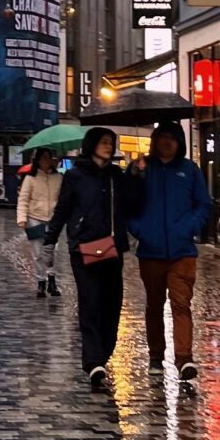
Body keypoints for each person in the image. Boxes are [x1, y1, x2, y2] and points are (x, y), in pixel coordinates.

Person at [49, 128, 140, 386]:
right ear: (91, 145)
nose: (108, 146)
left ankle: (103, 354)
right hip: (84, 247)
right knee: (90, 302)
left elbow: (131, 204)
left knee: (111, 304)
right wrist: (51, 238)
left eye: (111, 142)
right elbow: (63, 208)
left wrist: (135, 175)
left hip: (111, 246)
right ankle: (93, 361)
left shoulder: (115, 176)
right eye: (103, 142)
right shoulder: (76, 175)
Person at [134, 121, 214, 385]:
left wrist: (187, 228)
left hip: (182, 251)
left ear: (179, 143)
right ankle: (156, 356)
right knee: (154, 306)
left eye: (172, 138)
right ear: (155, 140)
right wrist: (142, 230)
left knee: (181, 305)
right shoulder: (142, 169)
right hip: (151, 251)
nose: (167, 143)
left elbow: (203, 205)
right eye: (162, 137)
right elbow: (126, 204)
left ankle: (184, 358)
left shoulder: (190, 171)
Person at [16, 148, 63, 297]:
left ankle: (52, 280)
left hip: (53, 219)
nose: (46, 161)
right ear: (37, 160)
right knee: (37, 254)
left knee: (52, 252)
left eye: (49, 157)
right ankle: (41, 282)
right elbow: (23, 199)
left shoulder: (58, 177)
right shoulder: (30, 179)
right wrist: (22, 218)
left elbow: (64, 198)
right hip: (34, 218)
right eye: (43, 158)